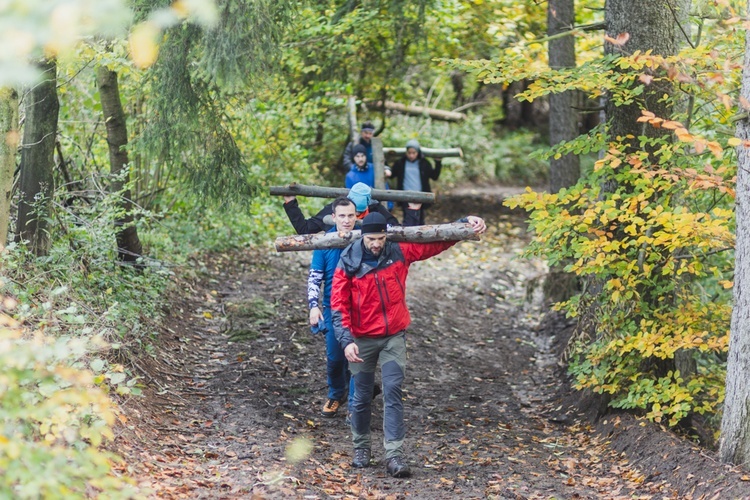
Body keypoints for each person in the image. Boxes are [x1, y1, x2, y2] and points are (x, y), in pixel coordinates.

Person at [330, 212, 487, 478]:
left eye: (381, 238)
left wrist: (462, 223)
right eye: (372, 239)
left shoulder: (398, 251)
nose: (377, 244)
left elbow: (433, 243)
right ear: (362, 236)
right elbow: (338, 306)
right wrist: (345, 341)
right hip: (362, 339)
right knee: (361, 396)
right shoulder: (348, 262)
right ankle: (361, 448)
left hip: (394, 335)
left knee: (392, 391)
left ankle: (394, 455)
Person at [308, 197, 358, 418]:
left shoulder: (364, 239)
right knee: (335, 357)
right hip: (332, 308)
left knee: (357, 356)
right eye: (342, 216)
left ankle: (357, 404)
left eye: (350, 216)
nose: (346, 220)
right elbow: (315, 276)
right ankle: (336, 393)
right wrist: (313, 305)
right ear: (334, 217)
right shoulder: (324, 242)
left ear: (357, 216)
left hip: (361, 307)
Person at [283, 182, 420, 234]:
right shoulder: (337, 209)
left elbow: (399, 232)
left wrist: (413, 212)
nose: (351, 217)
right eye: (352, 211)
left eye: (359, 213)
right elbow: (305, 229)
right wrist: (291, 204)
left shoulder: (376, 210)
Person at [385, 139, 442, 225]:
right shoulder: (400, 163)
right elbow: (392, 174)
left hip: (421, 195)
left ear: (418, 152)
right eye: (409, 153)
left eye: (414, 153)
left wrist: (438, 163)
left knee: (420, 220)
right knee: (408, 219)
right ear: (406, 152)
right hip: (405, 196)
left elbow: (434, 176)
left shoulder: (424, 163)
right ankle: (408, 237)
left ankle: (420, 236)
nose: (411, 155)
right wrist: (385, 164)